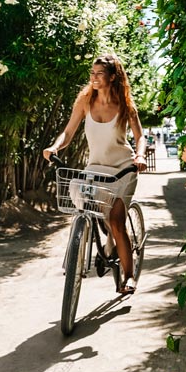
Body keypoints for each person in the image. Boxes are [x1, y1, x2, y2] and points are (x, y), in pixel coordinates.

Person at [43, 53, 147, 294]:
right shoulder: (85, 101)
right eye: (92, 73)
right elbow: (68, 133)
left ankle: (129, 276)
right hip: (95, 170)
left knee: (117, 223)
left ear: (112, 77)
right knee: (87, 208)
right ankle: (88, 253)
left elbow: (140, 136)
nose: (94, 77)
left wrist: (139, 156)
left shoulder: (124, 105)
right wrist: (55, 146)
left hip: (123, 169)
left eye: (100, 73)